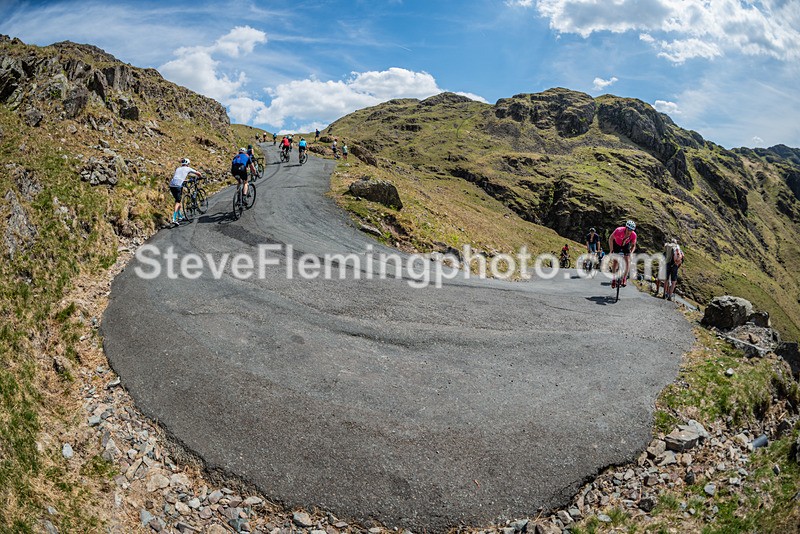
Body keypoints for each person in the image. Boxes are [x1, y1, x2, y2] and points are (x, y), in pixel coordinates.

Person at [169, 158, 202, 224]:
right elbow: (198, 173)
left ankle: (180, 216)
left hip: (171, 185)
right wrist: (200, 177)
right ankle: (174, 219)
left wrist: (185, 180)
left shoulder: (178, 168)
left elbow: (178, 177)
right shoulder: (188, 168)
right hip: (178, 185)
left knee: (178, 200)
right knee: (178, 202)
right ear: (188, 164)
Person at [609, 220, 637, 288]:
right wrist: (611, 250)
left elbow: (633, 245)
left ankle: (624, 279)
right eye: (628, 229)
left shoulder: (633, 235)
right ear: (626, 227)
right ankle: (614, 279)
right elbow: (610, 239)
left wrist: (631, 252)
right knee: (615, 262)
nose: (629, 231)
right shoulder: (618, 230)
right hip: (617, 244)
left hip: (626, 245)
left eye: (631, 230)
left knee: (627, 261)